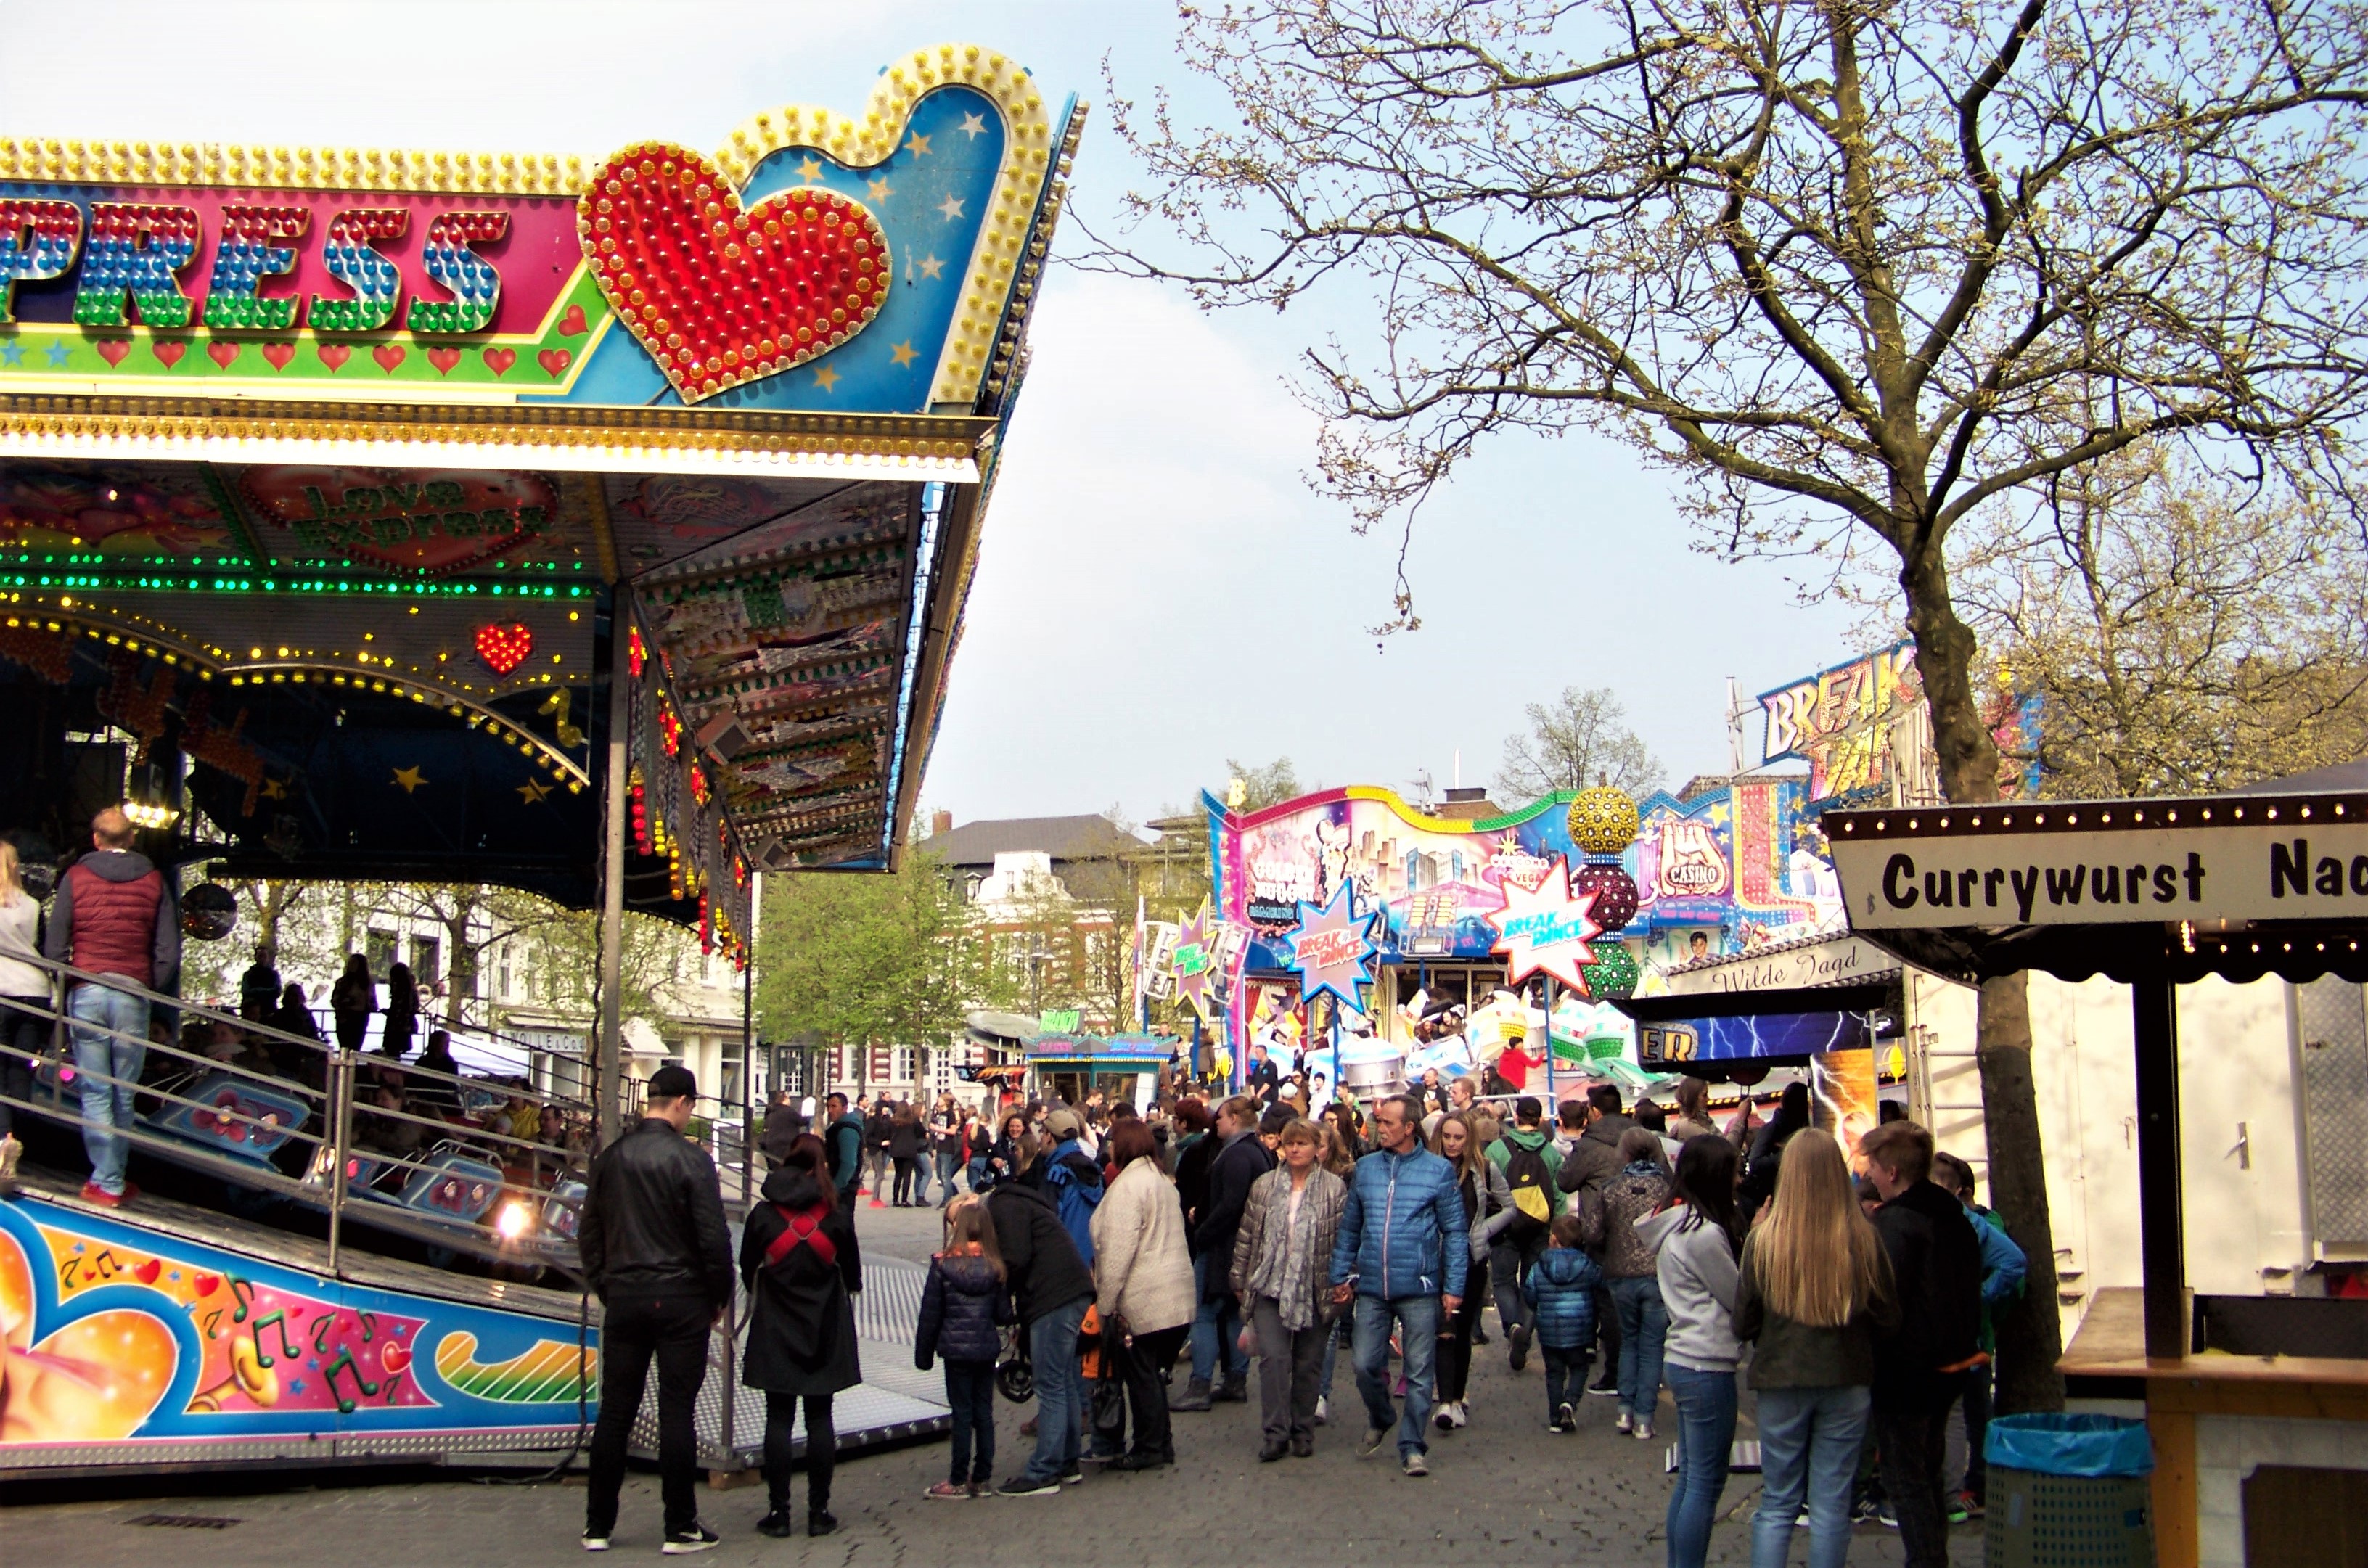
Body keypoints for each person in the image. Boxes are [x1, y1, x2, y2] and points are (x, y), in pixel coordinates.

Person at [580, 1064, 734, 1555]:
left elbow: (590, 1232)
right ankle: (679, 1524)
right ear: (683, 1103)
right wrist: (719, 1295)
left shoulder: (610, 1158)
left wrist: (606, 1284)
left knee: (615, 1411)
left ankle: (597, 1525)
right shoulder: (691, 1160)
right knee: (677, 1410)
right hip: (681, 1296)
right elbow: (712, 1237)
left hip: (626, 1293)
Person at [1737, 1128, 1900, 1568]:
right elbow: (1888, 1319)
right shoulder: (1864, 1240)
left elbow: (1743, 1322)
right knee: (1831, 1502)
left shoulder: (1763, 1242)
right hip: (1846, 1375)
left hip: (1781, 1376)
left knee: (1778, 1502)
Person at [1860, 1120, 1984, 1568]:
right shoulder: (1952, 1215)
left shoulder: (1897, 1223)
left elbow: (1884, 1300)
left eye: (1873, 1166)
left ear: (1892, 1172)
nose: (1869, 1174)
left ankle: (1927, 1561)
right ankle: (1934, 1557)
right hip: (1953, 1364)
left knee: (1907, 1478)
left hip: (1907, 1373)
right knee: (1928, 1471)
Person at [44, 807, 179, 1207]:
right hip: (132, 995)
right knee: (123, 1094)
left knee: (96, 1091)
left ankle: (108, 1181)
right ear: (132, 837)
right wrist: (148, 983)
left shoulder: (75, 877)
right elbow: (169, 950)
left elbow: (55, 944)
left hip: (87, 990)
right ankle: (112, 1179)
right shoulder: (154, 880)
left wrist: (66, 980)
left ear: (96, 839)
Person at [1328, 1092, 1467, 1478]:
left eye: (1388, 1122)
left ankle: (1412, 1446)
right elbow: (1350, 1227)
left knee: (1420, 1371)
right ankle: (1382, 1415)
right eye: (1379, 1122)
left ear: (1409, 1127)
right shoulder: (1366, 1168)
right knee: (1363, 1364)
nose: (1380, 1128)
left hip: (1420, 1287)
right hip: (1373, 1285)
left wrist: (1454, 1286)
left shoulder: (1438, 1171)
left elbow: (1455, 1233)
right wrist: (1340, 1274)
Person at [740, 1125, 861, 1539]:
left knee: (778, 1418)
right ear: (821, 1167)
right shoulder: (836, 1214)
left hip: (776, 1322)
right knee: (820, 1417)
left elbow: (747, 1268)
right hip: (824, 1323)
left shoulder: (763, 1215)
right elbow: (853, 1274)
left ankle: (778, 1513)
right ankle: (819, 1512)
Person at [1636, 1134, 1744, 1568]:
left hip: (1685, 1357)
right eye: (1734, 1171)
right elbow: (1737, 1297)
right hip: (1706, 1361)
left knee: (1692, 1478)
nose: (1739, 1180)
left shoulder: (1678, 1226)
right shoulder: (1703, 1234)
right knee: (1705, 1482)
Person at [1231, 1115, 1348, 1460]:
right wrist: (1238, 1278)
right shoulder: (1264, 1186)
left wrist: (1345, 1279)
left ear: (1318, 1149)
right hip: (1269, 1284)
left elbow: (1344, 1239)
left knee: (1309, 1363)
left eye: (1302, 1143)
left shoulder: (1333, 1188)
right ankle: (1275, 1433)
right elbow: (1247, 1234)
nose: (1295, 1150)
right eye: (1289, 1143)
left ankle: (1302, 1430)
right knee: (1274, 1359)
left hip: (1316, 1285)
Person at [987, 1139, 1097, 1495]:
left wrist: (998, 1285)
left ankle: (1044, 1470)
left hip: (1054, 1296)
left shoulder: (1003, 1207)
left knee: (1050, 1384)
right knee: (1062, 1380)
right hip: (1071, 1290)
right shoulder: (1029, 1204)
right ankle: (1066, 1461)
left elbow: (1016, 1258)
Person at [1090, 1118, 1195, 1470]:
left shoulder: (1128, 1187)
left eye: (1112, 1142)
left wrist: (1106, 1304)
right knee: (1152, 1375)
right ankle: (1160, 1443)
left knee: (1141, 1376)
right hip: (1173, 1293)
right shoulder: (1161, 1181)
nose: (1108, 1148)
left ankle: (1150, 1446)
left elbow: (1117, 1252)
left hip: (1144, 1297)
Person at [1931, 1149, 2026, 1522]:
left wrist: (1980, 1298)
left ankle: (1974, 1486)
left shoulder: (1979, 1223)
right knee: (1964, 1415)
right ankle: (1962, 1490)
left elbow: (2014, 1266)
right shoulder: (1968, 1223)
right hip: (1969, 1337)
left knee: (1969, 1414)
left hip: (1972, 1340)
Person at [1171, 1094, 1271, 1411]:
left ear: (1235, 1119)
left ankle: (1200, 1383)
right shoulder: (1257, 1151)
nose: (1216, 1123)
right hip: (1242, 1246)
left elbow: (1231, 1205)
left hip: (1222, 1247)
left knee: (1202, 1313)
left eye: (1221, 1117)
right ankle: (1235, 1380)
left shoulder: (1238, 1154)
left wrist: (1203, 1230)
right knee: (1231, 1312)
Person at [916, 1196, 1012, 1499]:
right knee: (984, 1411)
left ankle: (957, 1479)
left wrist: (923, 1355)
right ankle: (982, 1477)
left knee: (961, 1413)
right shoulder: (996, 1267)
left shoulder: (943, 1265)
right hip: (985, 1348)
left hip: (955, 1350)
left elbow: (931, 1314)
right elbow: (1003, 1315)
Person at [1430, 1110, 1515, 1432]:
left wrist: (1484, 1230)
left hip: (1471, 1259)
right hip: (1435, 1259)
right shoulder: (1428, 1168)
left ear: (1469, 1139)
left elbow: (1509, 1206)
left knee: (1462, 1330)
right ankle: (1444, 1402)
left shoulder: (1484, 1169)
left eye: (1458, 1138)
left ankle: (1455, 1398)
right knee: (1443, 1330)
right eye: (1447, 1137)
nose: (1452, 1144)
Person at [1559, 1083, 1637, 1395]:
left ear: (1594, 1112)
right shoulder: (1641, 1137)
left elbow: (1565, 1181)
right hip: (1642, 1230)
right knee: (1642, 1305)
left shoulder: (1590, 1145)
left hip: (1602, 1233)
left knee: (1609, 1305)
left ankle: (1615, 1374)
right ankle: (1644, 1373)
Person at [1602, 1125, 1675, 1440]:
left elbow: (1593, 1231)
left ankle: (1625, 1411)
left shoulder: (1611, 1189)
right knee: (1653, 1345)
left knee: (1629, 1340)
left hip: (1620, 1275)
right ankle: (1645, 1418)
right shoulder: (1667, 1190)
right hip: (1657, 1274)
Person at [1484, 1094, 1565, 1371]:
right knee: (1532, 1284)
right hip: (1540, 1226)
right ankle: (1525, 1335)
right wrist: (1557, 1228)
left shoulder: (1497, 1149)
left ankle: (1513, 1326)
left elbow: (1485, 1189)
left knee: (1503, 1280)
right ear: (1540, 1119)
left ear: (1516, 1117)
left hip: (1505, 1225)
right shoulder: (1550, 1153)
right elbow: (1559, 1195)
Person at [1523, 1210, 1606, 1432]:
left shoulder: (1539, 1266)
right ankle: (1570, 1401)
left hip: (1550, 1328)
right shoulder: (1586, 1264)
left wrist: (1538, 1308)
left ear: (1553, 1238)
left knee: (1554, 1372)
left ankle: (1554, 1418)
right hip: (1579, 1328)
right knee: (1579, 1367)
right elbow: (1601, 1283)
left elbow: (1530, 1292)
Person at [0, 841, 46, 1196]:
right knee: (19, 1070)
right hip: (35, 991)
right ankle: (16, 1135)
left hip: (2, 988)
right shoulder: (33, 905)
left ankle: (3, 1140)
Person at [1737, 1080, 1811, 1225]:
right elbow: (1755, 1162)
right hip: (1768, 1193)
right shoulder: (1774, 1128)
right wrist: (1789, 1153)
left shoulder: (1799, 1125)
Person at [1038, 1107, 1106, 1264]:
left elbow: (1046, 1223)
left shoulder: (1058, 1173)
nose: (1040, 1138)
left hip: (1062, 1261)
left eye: (1042, 1132)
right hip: (1090, 1261)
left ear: (1049, 1136)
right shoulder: (1093, 1169)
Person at [821, 1092, 865, 1207]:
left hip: (843, 1190)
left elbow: (849, 1164)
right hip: (842, 1187)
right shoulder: (840, 1127)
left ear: (844, 1108)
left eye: (834, 1106)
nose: (830, 1110)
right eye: (828, 1106)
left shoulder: (847, 1130)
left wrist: (835, 1187)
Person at [329, 953, 375, 1055]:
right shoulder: (342, 982)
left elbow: (373, 1002)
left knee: (355, 1049)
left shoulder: (368, 984)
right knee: (344, 1047)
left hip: (360, 1018)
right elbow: (335, 1000)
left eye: (354, 963)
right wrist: (348, 1001)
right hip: (345, 1018)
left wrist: (369, 1006)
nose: (351, 966)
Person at [889, 1101, 927, 1206]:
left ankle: (895, 1200)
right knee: (907, 1175)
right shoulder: (913, 1121)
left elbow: (888, 1133)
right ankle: (904, 1200)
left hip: (896, 1149)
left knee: (898, 1174)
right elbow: (921, 1133)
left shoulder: (893, 1121)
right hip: (909, 1149)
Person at [929, 1093, 962, 1207]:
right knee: (940, 1176)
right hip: (939, 1147)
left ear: (946, 1101)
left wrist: (938, 1129)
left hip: (947, 1147)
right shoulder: (939, 1114)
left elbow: (952, 1131)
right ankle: (956, 1195)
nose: (938, 1100)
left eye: (941, 1098)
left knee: (945, 1175)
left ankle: (947, 1200)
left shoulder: (950, 1114)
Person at [381, 960, 418, 1059]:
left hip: (396, 1026)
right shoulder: (410, 990)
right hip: (404, 1026)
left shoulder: (400, 991)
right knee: (395, 1052)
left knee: (392, 1051)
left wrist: (390, 1013)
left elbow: (398, 1009)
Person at [1668, 1078, 1721, 1145]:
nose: (1708, 1099)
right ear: (1692, 1098)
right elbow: (1720, 1147)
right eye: (1704, 1095)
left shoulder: (1702, 1118)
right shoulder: (1689, 1126)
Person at [238, 943, 282, 1020]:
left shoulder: (274, 974)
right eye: (260, 956)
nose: (262, 959)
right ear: (256, 957)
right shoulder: (248, 974)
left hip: (270, 1013)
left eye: (264, 956)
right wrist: (266, 992)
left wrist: (257, 991)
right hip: (251, 1014)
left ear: (267, 958)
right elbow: (246, 991)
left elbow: (277, 991)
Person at [864, 1097, 894, 1207]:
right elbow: (868, 1137)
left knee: (879, 1173)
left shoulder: (886, 1120)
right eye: (885, 1107)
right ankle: (875, 1199)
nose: (887, 1110)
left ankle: (876, 1197)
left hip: (883, 1150)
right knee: (880, 1174)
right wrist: (880, 1142)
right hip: (875, 1149)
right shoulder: (872, 1121)